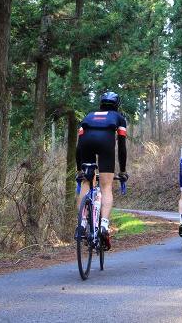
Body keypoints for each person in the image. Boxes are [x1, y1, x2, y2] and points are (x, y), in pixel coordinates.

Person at [75, 91, 128, 249]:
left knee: (86, 183)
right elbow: (122, 147)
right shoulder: (119, 118)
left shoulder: (89, 116)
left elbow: (79, 146)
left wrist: (79, 170)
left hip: (86, 142)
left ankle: (82, 224)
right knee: (106, 186)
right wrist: (123, 171)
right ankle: (104, 226)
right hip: (106, 141)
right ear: (117, 106)